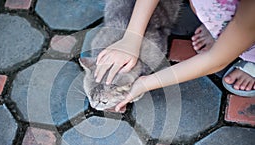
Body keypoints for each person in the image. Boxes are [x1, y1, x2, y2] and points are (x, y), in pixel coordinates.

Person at [94, 0, 255, 112]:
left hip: (248, 24)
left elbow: (216, 60)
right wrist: (132, 37)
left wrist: (145, 83)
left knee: (236, 42)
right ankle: (223, 30)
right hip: (227, 11)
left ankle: (238, 45)